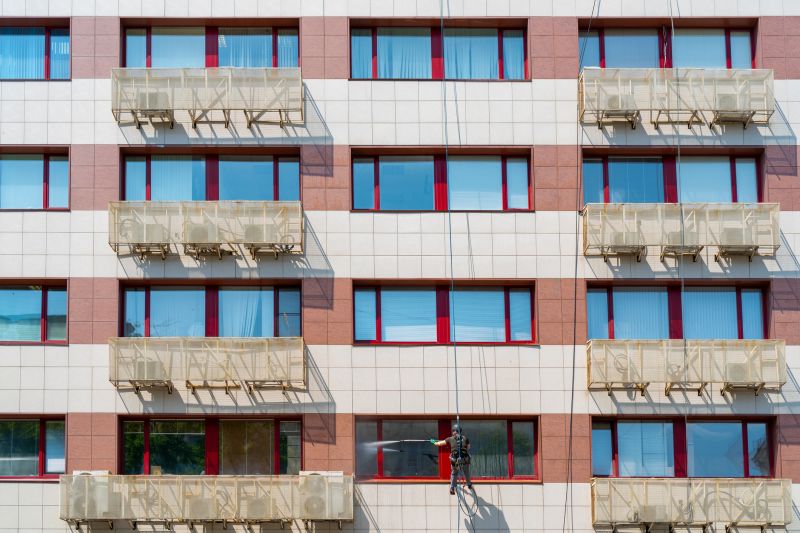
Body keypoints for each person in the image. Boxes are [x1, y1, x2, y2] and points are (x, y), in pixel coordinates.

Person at [431, 423, 472, 495]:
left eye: (453, 431)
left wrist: (433, 441)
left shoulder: (450, 439)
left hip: (455, 460)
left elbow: (438, 444)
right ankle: (469, 484)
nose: (453, 432)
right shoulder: (465, 438)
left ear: (455, 431)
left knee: (454, 474)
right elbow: (468, 447)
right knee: (466, 472)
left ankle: (452, 487)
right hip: (464, 460)